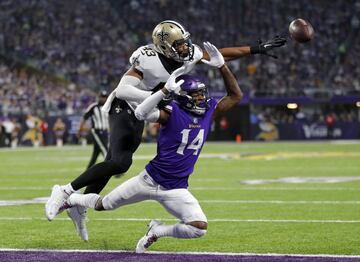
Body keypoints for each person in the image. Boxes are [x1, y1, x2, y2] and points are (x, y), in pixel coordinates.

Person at [45, 20, 285, 240]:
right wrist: (160, 94)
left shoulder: (186, 55)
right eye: (179, 45)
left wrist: (256, 48)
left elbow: (217, 56)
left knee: (114, 162)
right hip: (125, 106)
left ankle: (78, 207)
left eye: (185, 43)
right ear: (164, 46)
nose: (185, 49)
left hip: (145, 108)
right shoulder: (147, 57)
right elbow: (123, 90)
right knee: (120, 162)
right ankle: (65, 191)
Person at [57, 42, 242, 252]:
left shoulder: (210, 110)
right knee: (102, 205)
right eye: (196, 95)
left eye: (202, 94)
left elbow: (236, 96)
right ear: (184, 98)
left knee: (199, 228)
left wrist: (222, 66)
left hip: (176, 188)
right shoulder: (170, 112)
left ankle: (156, 231)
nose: (202, 99)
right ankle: (71, 199)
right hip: (148, 180)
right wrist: (163, 91)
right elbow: (141, 114)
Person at [77, 90, 109, 169]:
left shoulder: (109, 106)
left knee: (96, 153)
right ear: (99, 97)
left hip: (105, 132)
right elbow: (84, 118)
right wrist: (79, 130)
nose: (104, 99)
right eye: (102, 97)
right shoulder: (93, 106)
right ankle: (113, 170)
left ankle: (88, 169)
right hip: (97, 132)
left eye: (105, 97)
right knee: (105, 150)